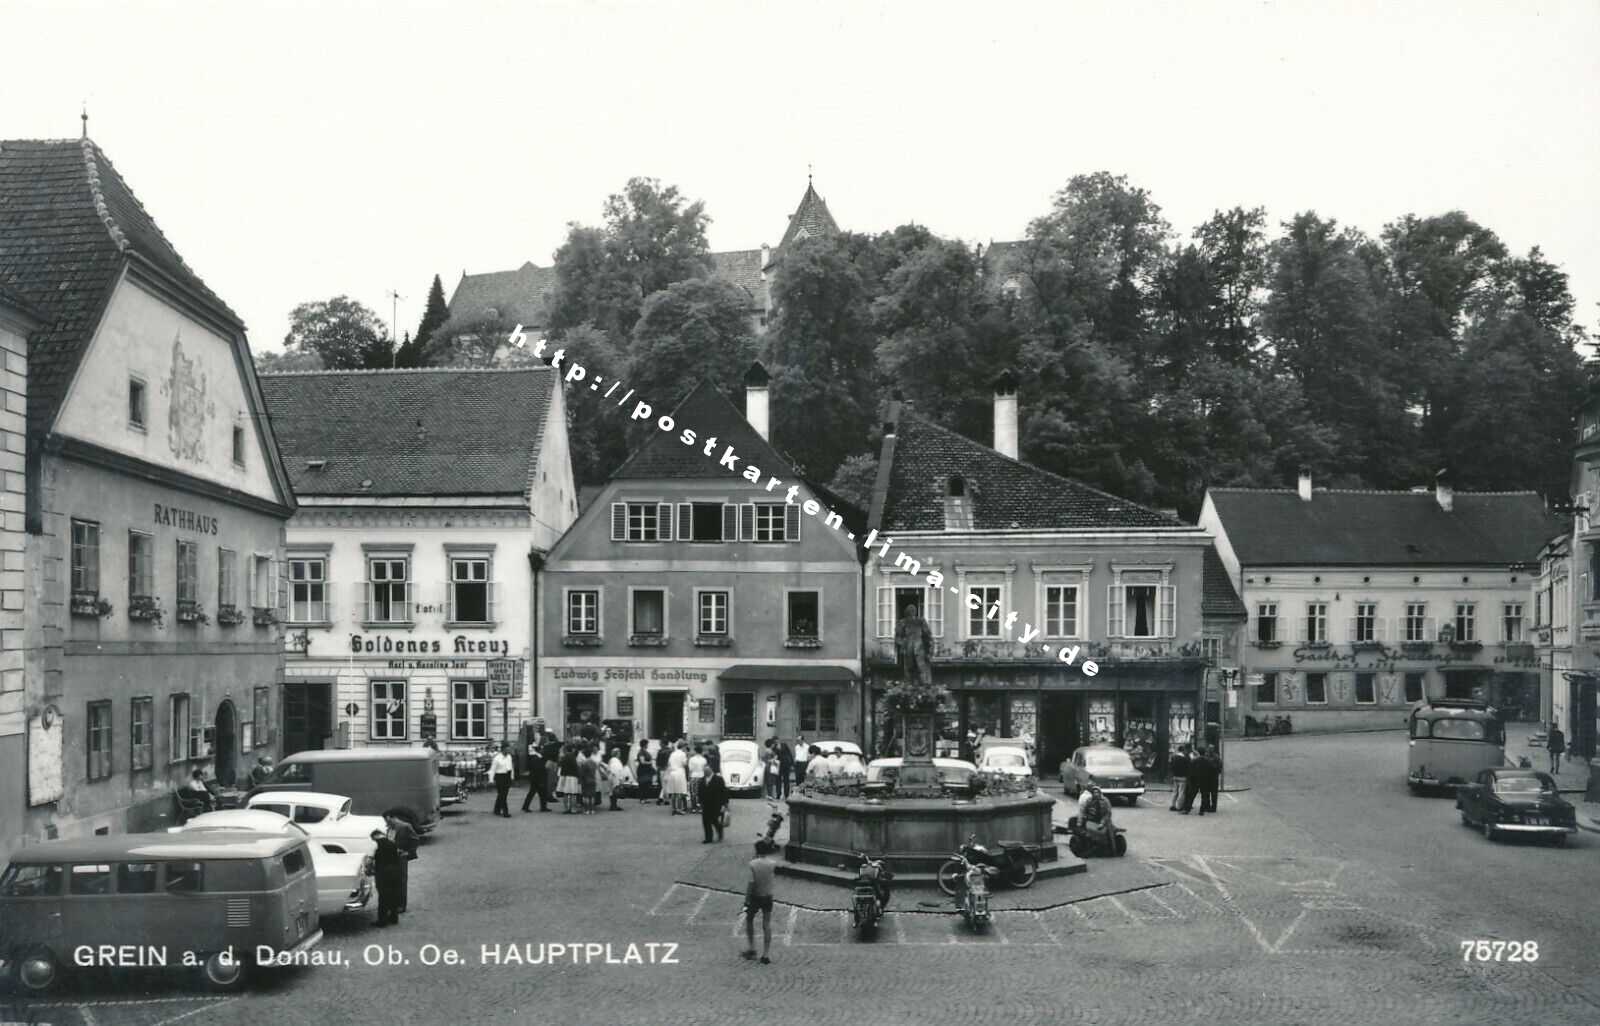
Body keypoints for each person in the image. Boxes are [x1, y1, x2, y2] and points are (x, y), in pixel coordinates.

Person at [742, 839, 779, 964]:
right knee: (766, 924)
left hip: (755, 897)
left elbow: (751, 883)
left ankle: (752, 949)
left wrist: (746, 899)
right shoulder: (772, 863)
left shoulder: (752, 864)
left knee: (749, 920)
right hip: (768, 896)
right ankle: (766, 954)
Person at [1078, 783, 1114, 848]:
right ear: (1092, 793)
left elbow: (1108, 813)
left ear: (1100, 793)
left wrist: (1102, 822)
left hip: (1103, 819)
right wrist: (1080, 822)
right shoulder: (1089, 800)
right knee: (1086, 833)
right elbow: (1083, 811)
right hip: (1091, 819)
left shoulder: (1105, 801)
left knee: (1110, 831)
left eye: (1097, 792)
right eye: (1094, 792)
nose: (1096, 794)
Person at [700, 763, 729, 843]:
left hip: (716, 804)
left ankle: (720, 833)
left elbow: (724, 792)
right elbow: (700, 791)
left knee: (715, 821)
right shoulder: (702, 780)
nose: (705, 772)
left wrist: (725, 803)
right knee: (706, 822)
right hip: (706, 804)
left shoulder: (719, 779)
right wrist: (700, 802)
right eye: (704, 771)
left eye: (706, 770)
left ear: (711, 770)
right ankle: (708, 838)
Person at [522, 734, 550, 813]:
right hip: (537, 778)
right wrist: (541, 780)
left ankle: (527, 806)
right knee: (538, 792)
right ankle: (541, 807)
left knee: (535, 792)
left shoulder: (537, 757)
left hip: (535, 777)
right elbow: (538, 770)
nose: (543, 750)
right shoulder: (538, 758)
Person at [489, 743, 515, 818]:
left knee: (503, 794)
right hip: (500, 777)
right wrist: (491, 780)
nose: (509, 750)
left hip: (507, 776)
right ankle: (505, 812)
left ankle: (497, 809)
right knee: (502, 794)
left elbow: (511, 767)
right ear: (503, 749)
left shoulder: (509, 757)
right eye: (508, 748)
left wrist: (512, 777)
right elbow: (492, 769)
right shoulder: (497, 758)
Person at [666, 741, 690, 815]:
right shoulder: (683, 754)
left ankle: (674, 808)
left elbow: (669, 763)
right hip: (680, 772)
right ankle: (679, 809)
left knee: (673, 792)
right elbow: (685, 764)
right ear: (683, 747)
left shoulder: (672, 754)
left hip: (672, 772)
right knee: (680, 792)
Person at [557, 744, 582, 814]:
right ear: (572, 749)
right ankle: (573, 809)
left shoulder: (564, 757)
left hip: (564, 776)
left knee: (566, 793)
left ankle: (566, 808)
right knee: (573, 794)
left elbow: (560, 765)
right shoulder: (572, 756)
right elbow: (575, 767)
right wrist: (579, 776)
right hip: (572, 777)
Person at [1168, 743, 1191, 812]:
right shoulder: (1184, 759)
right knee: (1181, 792)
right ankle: (1179, 806)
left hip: (1175, 776)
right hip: (1183, 777)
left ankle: (1173, 805)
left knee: (1175, 792)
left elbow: (1171, 767)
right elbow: (1188, 768)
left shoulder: (1174, 757)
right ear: (1183, 750)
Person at [578, 744, 599, 815]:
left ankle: (587, 810)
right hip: (593, 780)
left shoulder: (584, 763)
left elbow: (581, 773)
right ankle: (592, 809)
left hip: (585, 781)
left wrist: (580, 780)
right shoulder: (594, 762)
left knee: (585, 796)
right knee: (592, 796)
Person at [1201, 746, 1222, 813]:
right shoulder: (1212, 756)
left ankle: (1213, 807)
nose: (1210, 750)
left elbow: (1219, 766)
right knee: (1207, 793)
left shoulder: (1215, 757)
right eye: (1209, 748)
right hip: (1208, 777)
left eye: (1211, 748)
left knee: (1213, 793)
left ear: (1213, 749)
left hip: (1213, 777)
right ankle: (1208, 806)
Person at [688, 745, 708, 812]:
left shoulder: (691, 759)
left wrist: (688, 778)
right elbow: (705, 769)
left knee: (693, 793)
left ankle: (694, 807)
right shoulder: (704, 759)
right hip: (702, 776)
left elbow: (690, 769)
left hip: (694, 776)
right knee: (701, 793)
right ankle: (701, 808)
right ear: (701, 751)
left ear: (695, 751)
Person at [656, 741, 674, 806]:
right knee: (666, 785)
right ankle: (664, 799)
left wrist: (658, 767)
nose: (659, 744)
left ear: (663, 744)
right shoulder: (670, 751)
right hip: (668, 768)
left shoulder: (660, 751)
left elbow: (657, 762)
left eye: (660, 743)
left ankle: (661, 798)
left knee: (664, 785)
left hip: (661, 769)